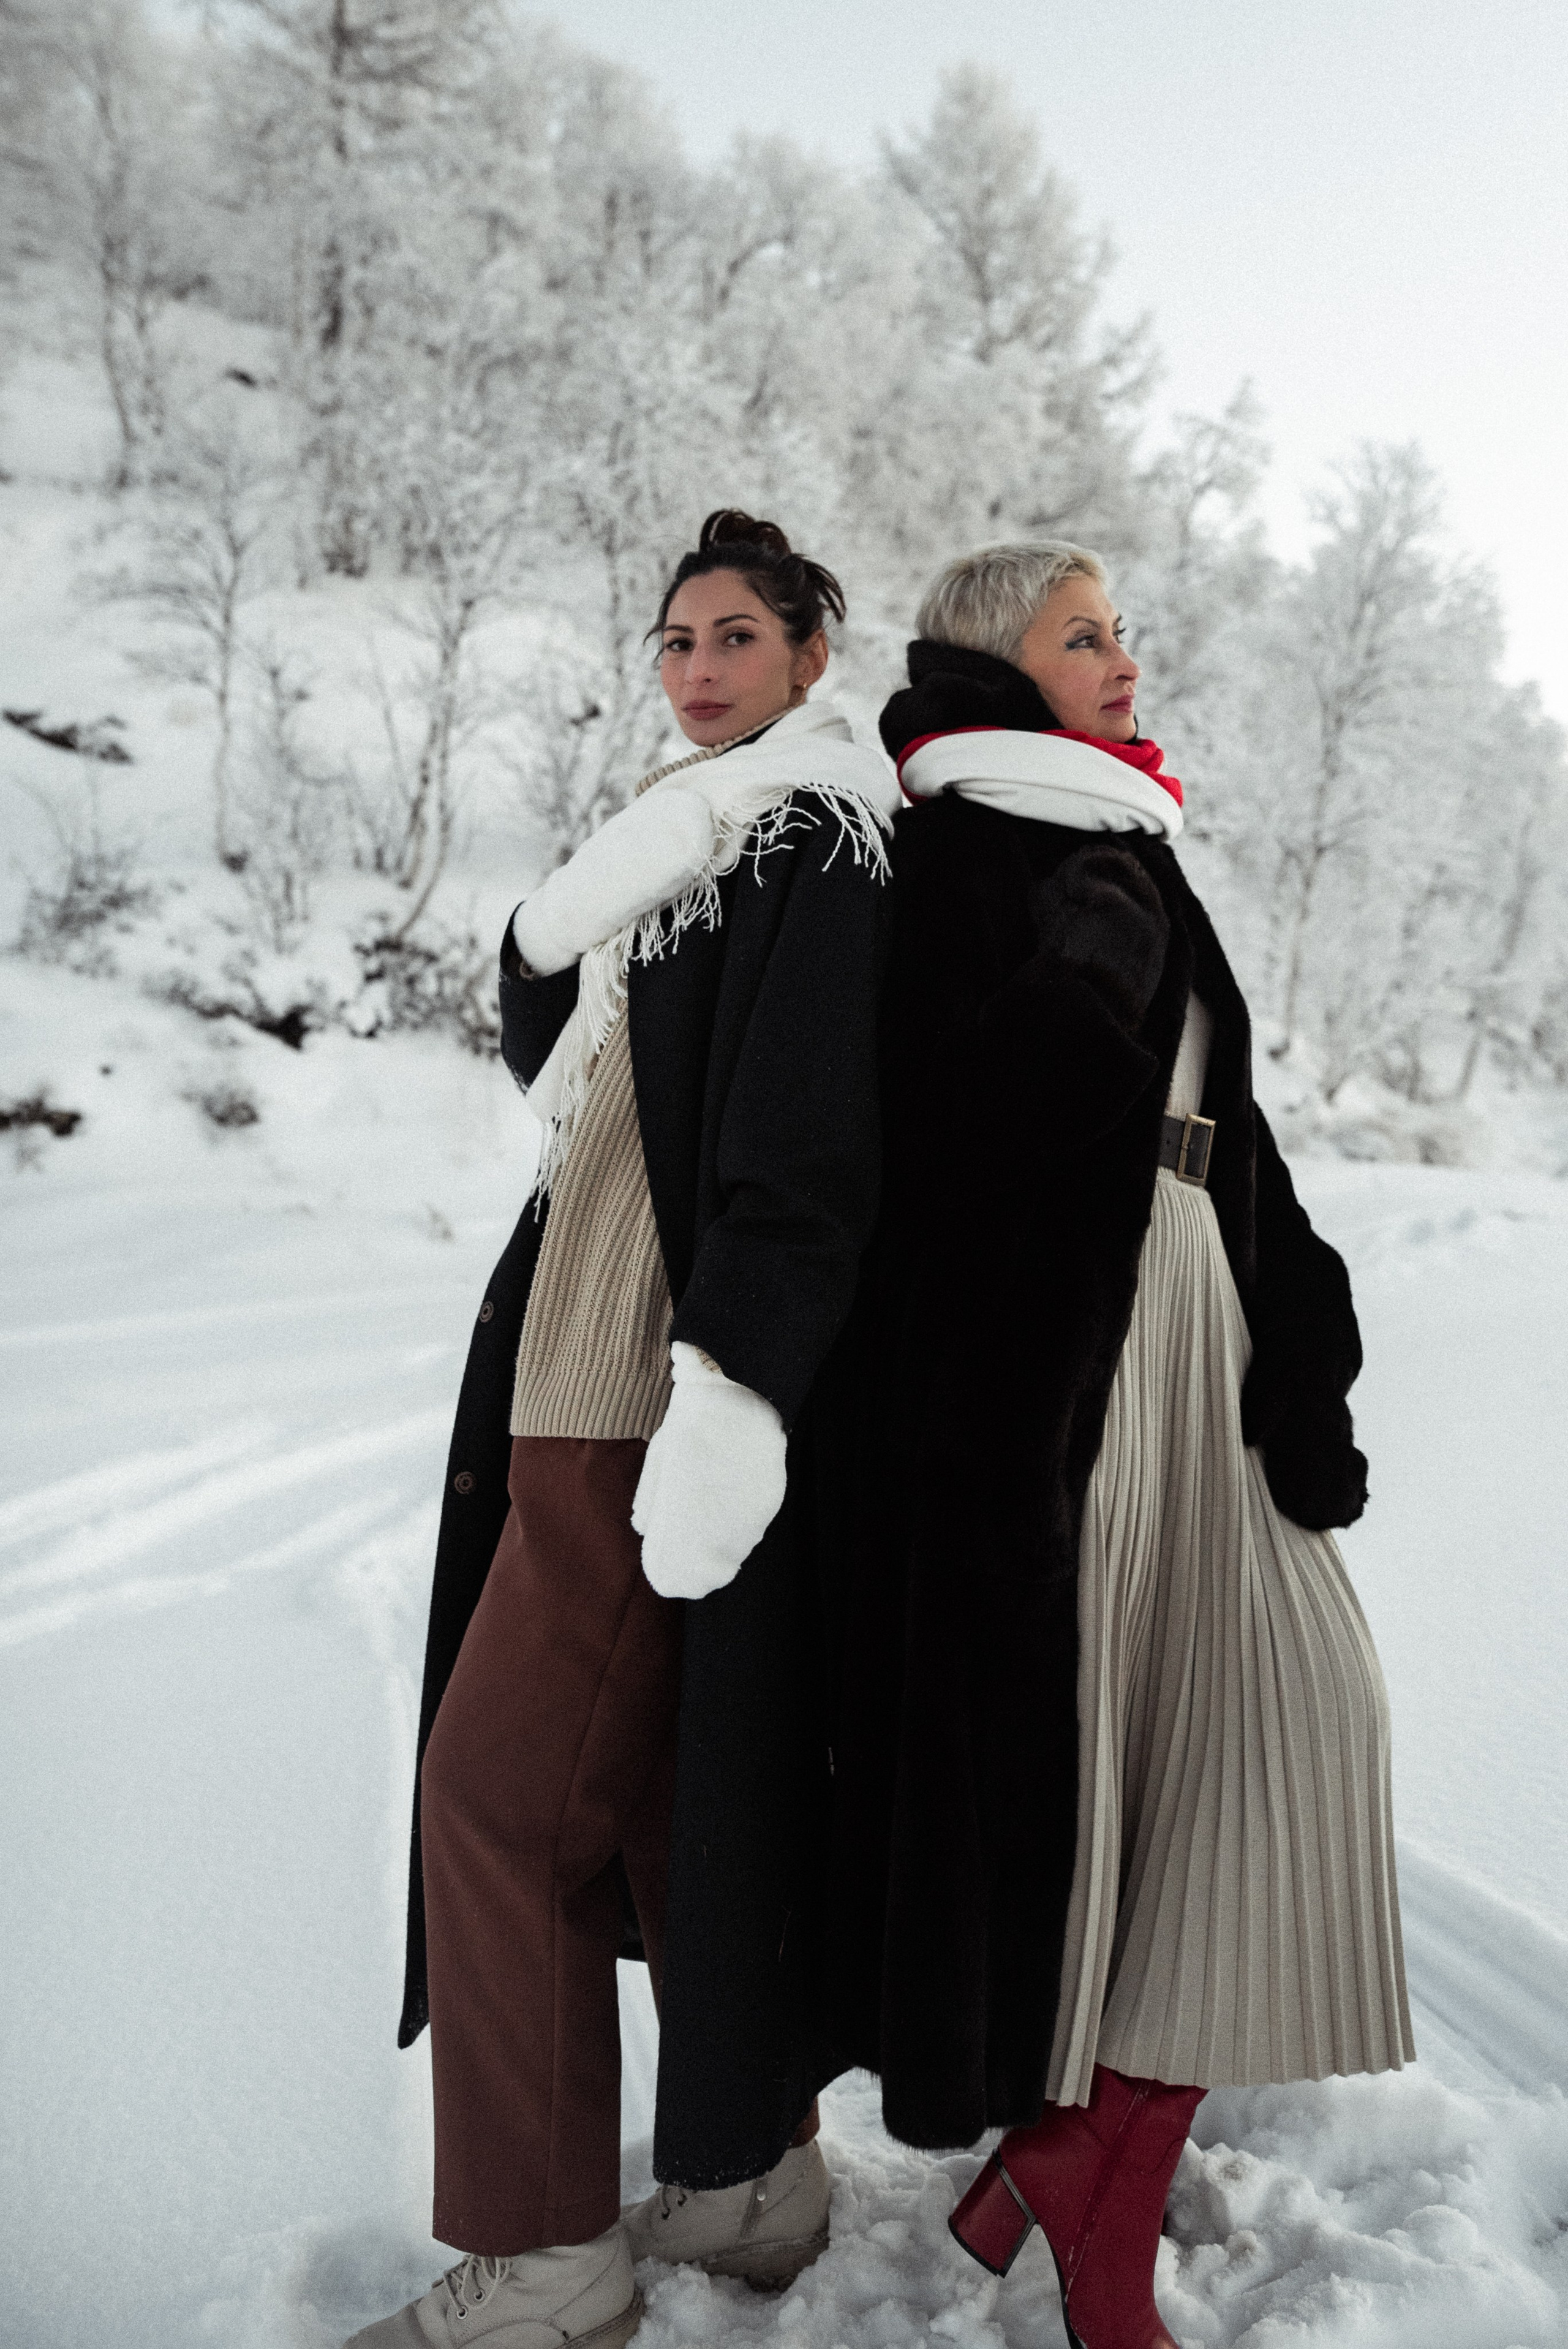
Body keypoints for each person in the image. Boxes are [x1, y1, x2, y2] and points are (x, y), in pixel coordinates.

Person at [827, 542, 1412, 2349]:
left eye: (1124, 627)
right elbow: (943, 1144)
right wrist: (1085, 972)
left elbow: (1233, 1129)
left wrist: (1304, 1348)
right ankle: (1086, 2176)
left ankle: (1073, 2151)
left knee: (1307, 1712)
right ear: (993, 659)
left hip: (1194, 1331)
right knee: (1133, 1784)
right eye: (1086, 633)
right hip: (1052, 1378)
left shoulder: (1119, 836)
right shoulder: (947, 845)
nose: (1125, 656)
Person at [350, 512, 897, 2349]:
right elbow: (567, 1077)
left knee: (491, 1801)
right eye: (673, 639)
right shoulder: (691, 848)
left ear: (817, 654)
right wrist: (552, 915)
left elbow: (802, 1158)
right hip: (578, 1378)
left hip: (645, 1397)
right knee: (668, 1796)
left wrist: (728, 1395)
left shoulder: (814, 839)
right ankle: (745, 2173)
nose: (697, 667)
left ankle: (544, 2249)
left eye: (736, 634)